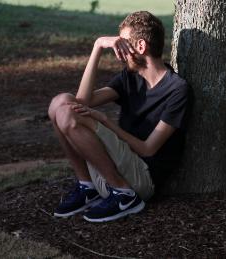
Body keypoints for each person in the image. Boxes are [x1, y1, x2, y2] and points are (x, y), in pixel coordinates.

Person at [47, 11, 190, 223]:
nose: (119, 53)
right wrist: (98, 46)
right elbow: (82, 101)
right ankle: (87, 186)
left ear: (141, 47)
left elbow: (148, 149)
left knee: (68, 113)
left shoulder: (177, 89)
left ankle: (124, 195)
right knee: (59, 102)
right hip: (116, 165)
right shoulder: (130, 78)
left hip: (141, 178)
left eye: (123, 45)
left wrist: (105, 121)